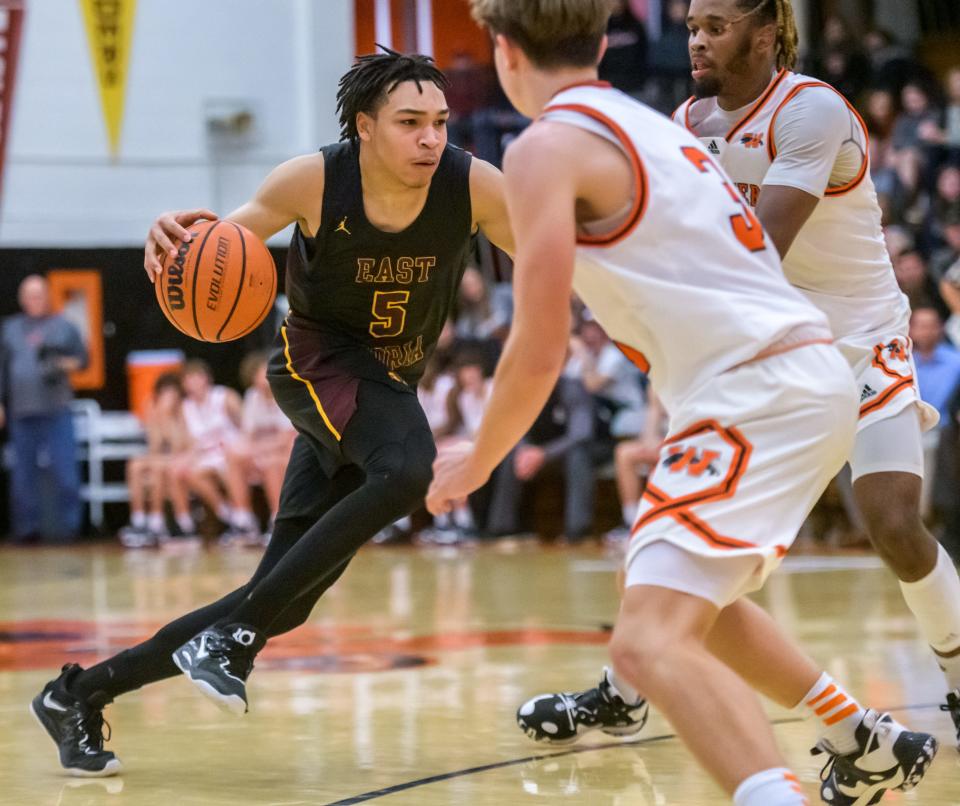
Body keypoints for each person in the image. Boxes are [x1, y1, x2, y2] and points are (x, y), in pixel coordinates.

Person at [428, 2, 937, 804]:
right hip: (785, 376)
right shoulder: (654, 128)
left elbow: (538, 345)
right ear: (599, 45)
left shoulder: (546, 150)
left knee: (645, 645)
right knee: (682, 596)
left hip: (758, 388)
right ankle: (861, 737)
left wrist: (478, 456)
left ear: (502, 51)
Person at [31, 48, 513, 777]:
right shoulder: (315, 180)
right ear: (365, 127)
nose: (431, 138)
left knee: (279, 600)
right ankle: (234, 640)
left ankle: (79, 694)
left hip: (387, 383)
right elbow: (218, 247)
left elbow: (554, 257)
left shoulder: (471, 186)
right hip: (318, 366)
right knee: (410, 465)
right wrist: (171, 241)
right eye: (410, 122)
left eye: (441, 123)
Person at [0, 274, 87, 543]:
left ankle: (70, 529)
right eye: (30, 295)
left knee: (65, 473)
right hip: (22, 411)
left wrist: (59, 363)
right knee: (22, 477)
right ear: (22, 299)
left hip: (57, 409)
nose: (35, 300)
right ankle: (27, 531)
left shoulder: (64, 326)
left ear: (47, 297)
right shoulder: (10, 328)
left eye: (39, 294)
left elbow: (82, 360)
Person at [118, 372, 192, 548]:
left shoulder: (184, 410)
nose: (168, 397)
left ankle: (156, 522)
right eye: (165, 392)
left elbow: (178, 446)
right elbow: (155, 445)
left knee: (157, 469)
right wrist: (158, 416)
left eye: (172, 393)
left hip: (180, 458)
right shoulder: (152, 406)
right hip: (160, 457)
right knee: (134, 465)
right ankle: (139, 520)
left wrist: (167, 418)